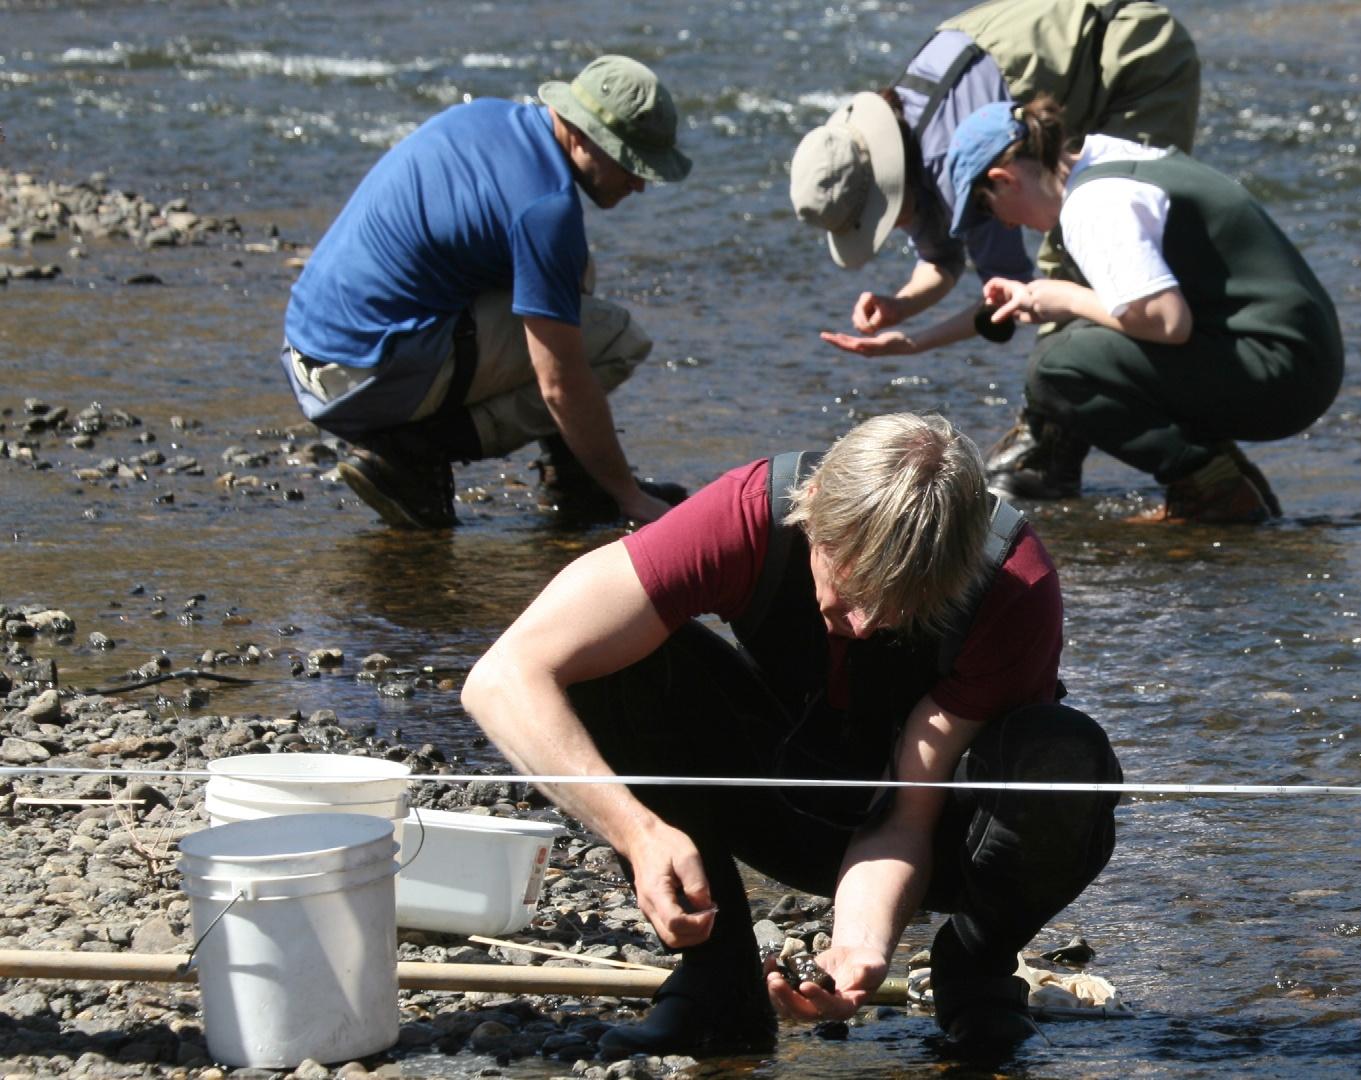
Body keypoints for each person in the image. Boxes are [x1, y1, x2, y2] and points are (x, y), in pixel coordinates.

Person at [461, 412, 1121, 1062]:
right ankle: (717, 983)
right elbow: (502, 677)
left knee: (1063, 755)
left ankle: (975, 973)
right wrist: (638, 831)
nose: (866, 623)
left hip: (945, 840)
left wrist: (859, 948)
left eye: (901, 601)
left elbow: (903, 816)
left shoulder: (1012, 586)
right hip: (781, 793)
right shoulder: (746, 513)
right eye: (853, 586)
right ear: (809, 512)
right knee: (603, 659)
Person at [280, 56, 692, 529]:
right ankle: (413, 454)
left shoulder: (484, 118)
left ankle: (575, 476)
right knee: (616, 340)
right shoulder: (545, 210)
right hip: (360, 379)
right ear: (581, 136)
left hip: (308, 353)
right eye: (630, 164)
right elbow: (560, 384)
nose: (639, 184)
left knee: (572, 278)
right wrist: (630, 497)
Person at [943, 97, 1345, 524]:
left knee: (1058, 366)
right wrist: (1048, 299)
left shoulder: (1093, 204)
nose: (1003, 224)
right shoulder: (1116, 158)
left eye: (987, 208)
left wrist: (1064, 297)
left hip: (1283, 376)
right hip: (1300, 357)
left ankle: (1211, 491)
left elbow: (1167, 322)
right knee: (1075, 341)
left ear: (1004, 179)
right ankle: (1231, 479)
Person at [788, 0, 1199, 358]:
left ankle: (1058, 418)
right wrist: (901, 306)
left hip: (1139, 59)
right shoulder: (901, 127)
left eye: (881, 217)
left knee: (1077, 263)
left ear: (889, 181)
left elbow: (1015, 294)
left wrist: (915, 342)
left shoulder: (960, 163)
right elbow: (941, 257)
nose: (893, 226)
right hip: (1087, 50)